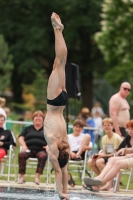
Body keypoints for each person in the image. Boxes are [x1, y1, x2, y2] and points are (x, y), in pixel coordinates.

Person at [44, 13, 70, 200]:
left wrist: (65, 193)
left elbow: (63, 171)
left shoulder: (64, 142)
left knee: (59, 63)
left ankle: (57, 29)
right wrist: (62, 193)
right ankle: (57, 29)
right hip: (53, 104)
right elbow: (59, 172)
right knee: (59, 63)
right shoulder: (54, 143)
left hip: (61, 102)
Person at [83, 119, 133, 192]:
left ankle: (100, 183)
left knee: (117, 162)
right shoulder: (128, 137)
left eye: (132, 129)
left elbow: (117, 152)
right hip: (122, 156)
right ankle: (100, 178)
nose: (130, 131)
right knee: (111, 159)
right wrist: (125, 150)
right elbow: (126, 149)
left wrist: (128, 153)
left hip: (127, 157)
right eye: (129, 129)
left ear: (112, 127)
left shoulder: (116, 137)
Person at [18, 110, 48, 185]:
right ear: (33, 119)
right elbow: (20, 138)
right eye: (36, 116)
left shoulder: (47, 130)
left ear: (43, 119)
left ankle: (37, 178)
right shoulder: (27, 129)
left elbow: (53, 140)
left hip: (41, 150)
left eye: (40, 116)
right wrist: (24, 145)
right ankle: (22, 177)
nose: (38, 118)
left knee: (43, 155)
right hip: (29, 149)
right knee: (21, 154)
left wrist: (49, 146)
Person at [68, 119, 92, 187]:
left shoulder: (84, 136)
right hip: (70, 153)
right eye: (76, 126)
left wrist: (87, 148)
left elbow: (90, 147)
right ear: (73, 127)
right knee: (63, 156)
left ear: (82, 129)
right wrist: (70, 153)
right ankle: (67, 176)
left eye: (80, 127)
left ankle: (78, 155)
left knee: (88, 135)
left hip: (81, 153)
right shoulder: (68, 136)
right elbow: (64, 147)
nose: (78, 128)